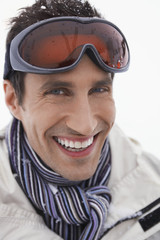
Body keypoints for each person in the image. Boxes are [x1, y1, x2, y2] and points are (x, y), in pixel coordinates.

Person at [0, 0, 160, 239]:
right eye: (57, 92)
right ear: (14, 100)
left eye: (99, 90)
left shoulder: (154, 184)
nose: (85, 125)